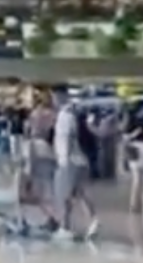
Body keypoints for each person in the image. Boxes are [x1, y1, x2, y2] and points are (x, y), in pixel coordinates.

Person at [52, 90, 98, 240]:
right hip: (80, 160)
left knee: (65, 195)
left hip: (70, 160)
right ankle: (92, 220)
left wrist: (64, 160)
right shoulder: (74, 114)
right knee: (79, 193)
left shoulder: (65, 116)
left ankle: (65, 227)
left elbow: (66, 138)